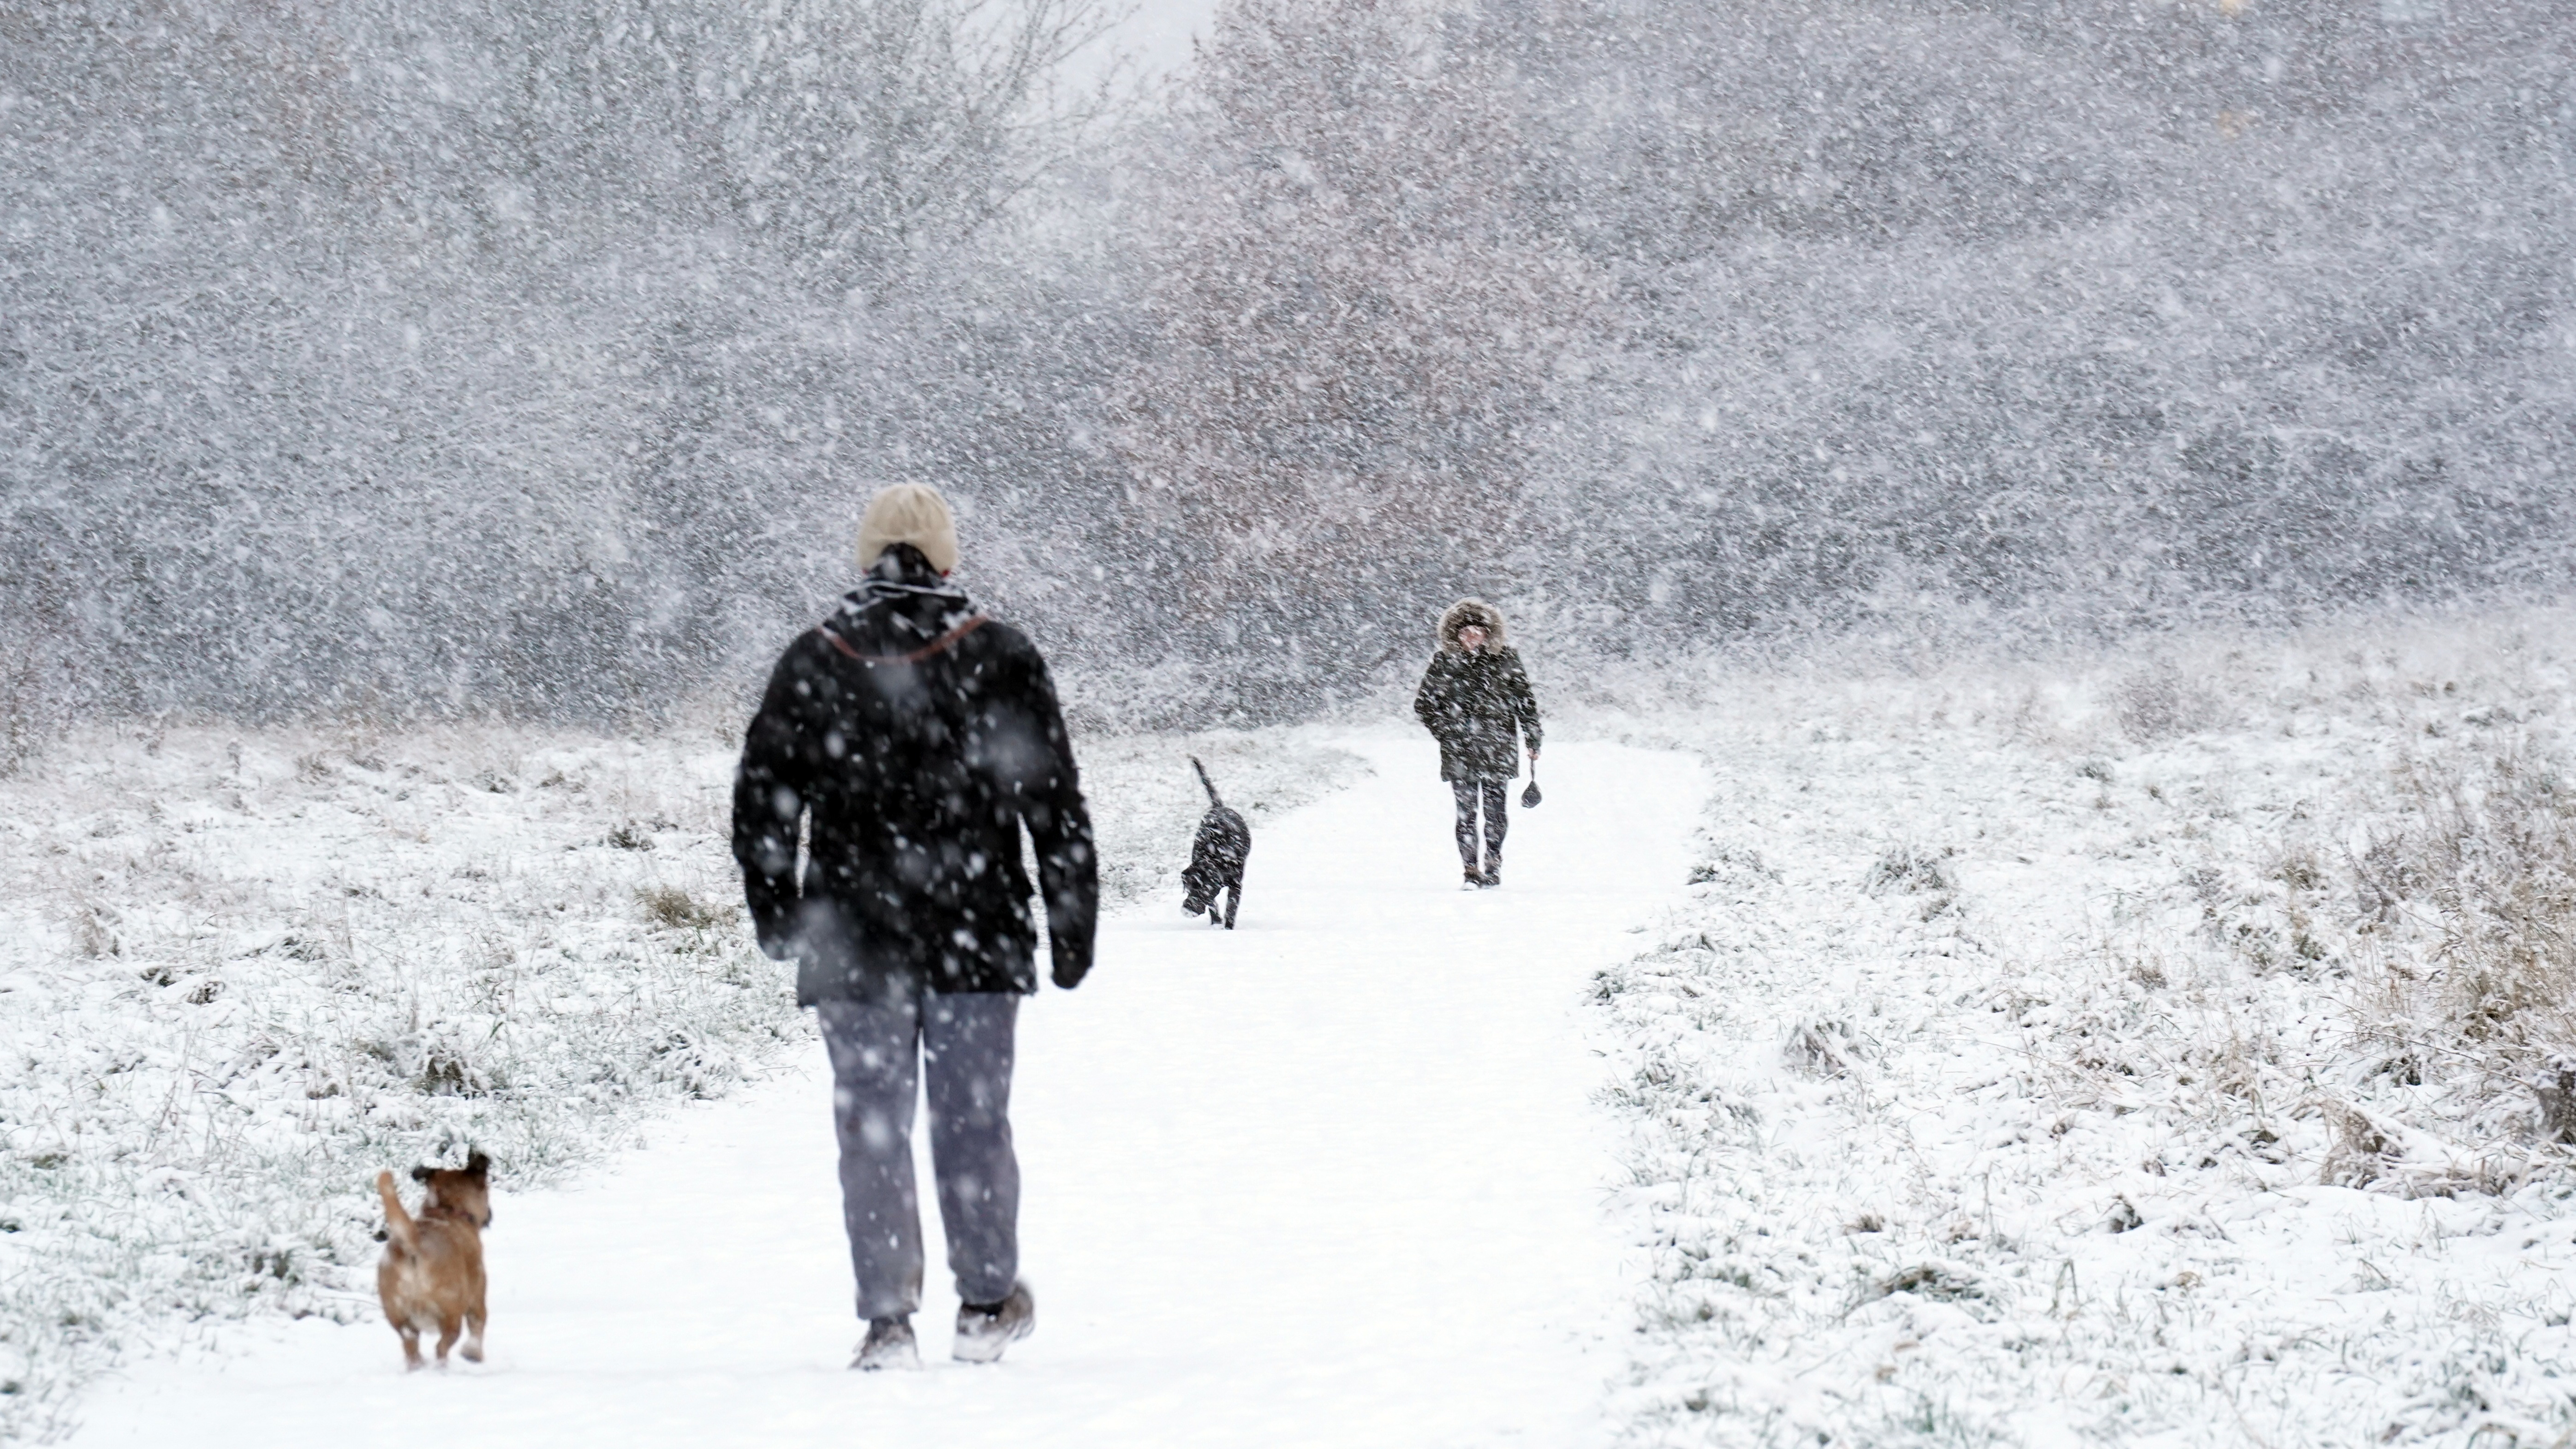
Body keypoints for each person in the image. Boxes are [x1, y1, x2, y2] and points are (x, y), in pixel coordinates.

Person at [731, 483, 1097, 1371]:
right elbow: (1051, 799)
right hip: (974, 928)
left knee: (872, 1128)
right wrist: (1068, 919)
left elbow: (762, 801)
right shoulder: (999, 655)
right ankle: (983, 1303)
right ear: (946, 558)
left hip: (853, 936)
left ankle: (888, 1320)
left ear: (865, 558)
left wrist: (779, 911)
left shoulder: (815, 659)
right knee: (972, 1122)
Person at [1412, 598, 1542, 889]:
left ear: (1487, 633)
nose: (1471, 637)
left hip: (1498, 746)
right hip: (1460, 751)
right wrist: (1447, 732)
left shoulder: (1506, 659)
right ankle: (1471, 871)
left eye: (1477, 631)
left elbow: (1526, 703)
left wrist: (1533, 738)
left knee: (1496, 812)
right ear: (1455, 634)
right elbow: (1424, 704)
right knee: (1466, 813)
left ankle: (1493, 865)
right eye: (1465, 631)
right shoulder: (1444, 662)